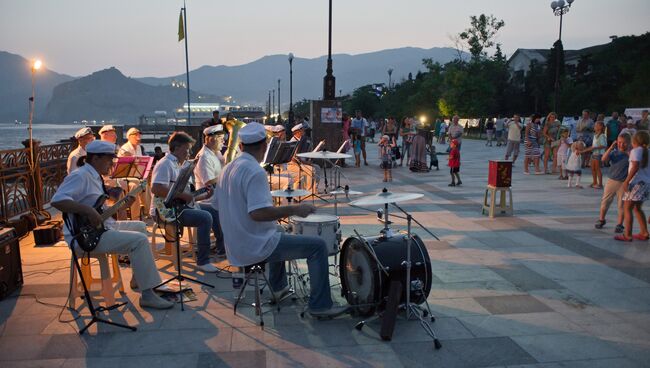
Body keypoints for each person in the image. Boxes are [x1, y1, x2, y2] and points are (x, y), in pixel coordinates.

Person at [217, 122, 348, 318]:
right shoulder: (254, 171)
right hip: (254, 245)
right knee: (318, 246)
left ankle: (278, 288)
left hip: (235, 244)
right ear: (264, 147)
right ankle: (321, 306)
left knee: (279, 230)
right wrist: (296, 208)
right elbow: (258, 213)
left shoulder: (228, 168)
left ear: (241, 146)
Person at [51, 140, 173, 310]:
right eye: (109, 159)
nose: (112, 163)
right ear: (95, 159)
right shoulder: (80, 176)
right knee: (139, 241)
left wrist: (124, 205)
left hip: (100, 228)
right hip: (84, 237)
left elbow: (101, 209)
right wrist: (87, 211)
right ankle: (148, 295)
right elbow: (57, 200)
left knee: (139, 226)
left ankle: (139, 278)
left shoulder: (95, 176)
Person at [150, 131, 220, 272]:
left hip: (179, 207)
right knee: (205, 218)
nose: (189, 152)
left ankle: (221, 248)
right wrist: (183, 196)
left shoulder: (180, 165)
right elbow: (156, 188)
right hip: (165, 211)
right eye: (187, 149)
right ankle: (203, 261)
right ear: (176, 148)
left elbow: (188, 197)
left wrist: (204, 196)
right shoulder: (165, 164)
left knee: (213, 210)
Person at [193, 125, 227, 258]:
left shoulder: (215, 153)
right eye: (221, 139)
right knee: (227, 208)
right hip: (207, 197)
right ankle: (223, 246)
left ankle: (228, 243)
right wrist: (227, 175)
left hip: (217, 194)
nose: (224, 142)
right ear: (211, 139)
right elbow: (209, 182)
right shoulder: (204, 157)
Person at [616, 130, 650, 241]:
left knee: (627, 208)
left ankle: (627, 234)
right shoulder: (647, 151)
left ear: (635, 140)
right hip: (645, 183)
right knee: (637, 208)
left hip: (635, 183)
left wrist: (626, 181)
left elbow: (635, 166)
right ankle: (644, 232)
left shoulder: (636, 151)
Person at [595, 133, 630, 232]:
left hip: (623, 182)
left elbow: (635, 162)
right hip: (612, 181)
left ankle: (619, 224)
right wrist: (610, 148)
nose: (621, 145)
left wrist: (628, 152)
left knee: (621, 205)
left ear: (629, 143)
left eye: (624, 143)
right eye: (619, 142)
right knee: (605, 202)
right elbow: (603, 159)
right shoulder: (614, 153)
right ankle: (601, 219)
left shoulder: (630, 154)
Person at [580, 121, 607, 189]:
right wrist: (584, 150)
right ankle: (594, 182)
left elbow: (604, 145)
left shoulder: (602, 135)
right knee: (593, 169)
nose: (594, 127)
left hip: (599, 154)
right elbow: (593, 146)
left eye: (596, 125)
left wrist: (594, 148)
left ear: (600, 127)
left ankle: (600, 184)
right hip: (594, 154)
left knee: (598, 169)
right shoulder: (595, 135)